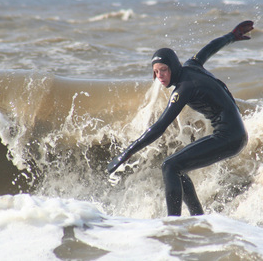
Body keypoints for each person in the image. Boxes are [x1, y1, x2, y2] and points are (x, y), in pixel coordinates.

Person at [108, 21, 254, 216]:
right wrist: (231, 36)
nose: (160, 76)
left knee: (170, 166)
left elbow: (159, 127)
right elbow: (209, 48)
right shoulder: (191, 65)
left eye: (164, 70)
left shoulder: (184, 88)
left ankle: (173, 225)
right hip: (234, 134)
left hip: (229, 137)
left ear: (173, 67)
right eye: (156, 71)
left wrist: (126, 153)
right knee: (178, 169)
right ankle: (197, 218)